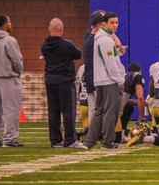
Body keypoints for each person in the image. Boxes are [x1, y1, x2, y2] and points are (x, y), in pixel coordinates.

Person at [79, 12, 126, 150]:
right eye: (112, 22)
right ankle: (108, 142)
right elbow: (109, 62)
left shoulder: (102, 38)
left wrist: (120, 52)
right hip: (109, 80)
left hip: (100, 80)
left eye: (117, 22)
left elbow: (107, 56)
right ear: (104, 24)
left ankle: (89, 141)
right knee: (111, 113)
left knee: (98, 112)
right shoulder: (105, 39)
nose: (115, 25)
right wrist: (119, 79)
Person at [41, 18, 82, 148]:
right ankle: (70, 140)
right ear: (62, 29)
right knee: (68, 111)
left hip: (50, 80)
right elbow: (78, 54)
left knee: (53, 111)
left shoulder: (44, 44)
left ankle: (55, 140)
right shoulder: (66, 44)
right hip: (64, 81)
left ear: (49, 29)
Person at [0, 15, 24, 147]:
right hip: (8, 78)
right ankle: (9, 139)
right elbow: (17, 60)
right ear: (4, 25)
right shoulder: (9, 40)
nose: (11, 24)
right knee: (12, 109)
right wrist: (19, 72)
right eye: (9, 22)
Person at [81, 10, 106, 122]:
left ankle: (93, 133)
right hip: (97, 76)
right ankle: (99, 132)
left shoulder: (89, 35)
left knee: (93, 107)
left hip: (89, 74)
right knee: (101, 107)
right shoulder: (96, 39)